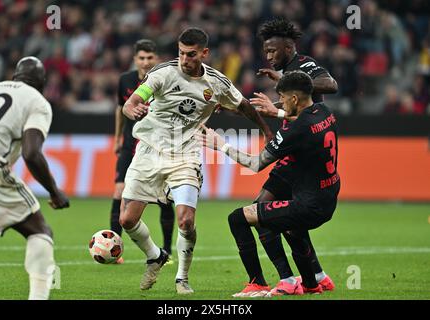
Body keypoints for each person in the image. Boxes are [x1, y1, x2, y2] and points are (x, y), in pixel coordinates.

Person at [120, 27, 273, 294]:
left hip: (186, 154)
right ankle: (155, 255)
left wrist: (266, 131)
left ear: (204, 53)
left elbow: (243, 106)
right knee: (127, 221)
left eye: (191, 54)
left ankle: (182, 277)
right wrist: (134, 109)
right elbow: (132, 101)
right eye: (181, 53)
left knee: (186, 221)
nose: (184, 59)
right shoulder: (163, 73)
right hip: (149, 150)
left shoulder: (216, 82)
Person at [199, 70, 340, 297]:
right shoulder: (324, 112)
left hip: (309, 206)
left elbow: (256, 164)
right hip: (328, 197)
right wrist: (274, 112)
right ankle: (312, 284)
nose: (280, 102)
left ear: (294, 99)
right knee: (291, 227)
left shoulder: (295, 131)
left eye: (282, 97)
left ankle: (258, 284)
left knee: (238, 218)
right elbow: (299, 119)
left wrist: (221, 145)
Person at [237, 18, 339, 295]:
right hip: (292, 153)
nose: (268, 56)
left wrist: (286, 83)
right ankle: (317, 276)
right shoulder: (290, 72)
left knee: (262, 213)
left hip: (300, 156)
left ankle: (286, 279)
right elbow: (289, 109)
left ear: (289, 46)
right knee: (286, 222)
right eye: (266, 51)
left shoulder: (303, 65)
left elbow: (330, 84)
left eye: (273, 50)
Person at [0, 56, 70, 300]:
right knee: (40, 231)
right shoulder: (37, 101)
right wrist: (54, 191)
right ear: (41, 83)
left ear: (14, 76)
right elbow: (32, 153)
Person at [112, 39, 175, 264]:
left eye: (150, 58)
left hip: (158, 146)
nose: (146, 62)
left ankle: (166, 250)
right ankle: (115, 247)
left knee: (165, 199)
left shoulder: (166, 80)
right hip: (131, 143)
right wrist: (118, 138)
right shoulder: (125, 80)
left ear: (156, 59)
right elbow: (121, 108)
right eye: (142, 58)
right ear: (135, 60)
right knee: (119, 192)